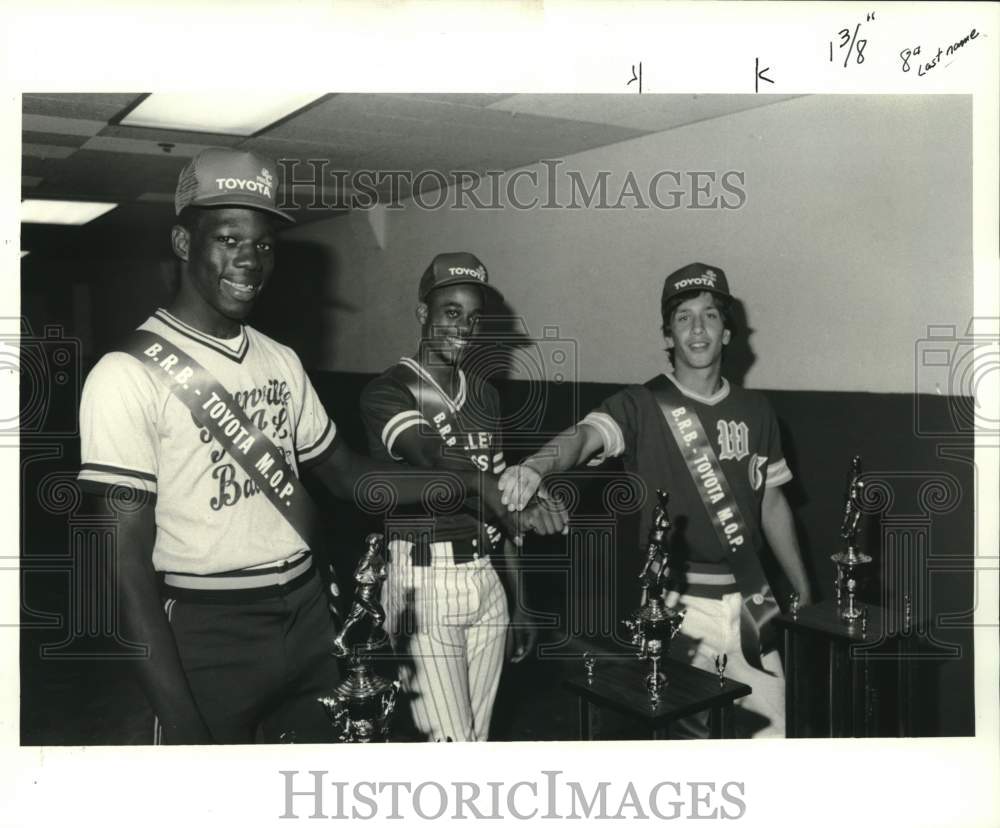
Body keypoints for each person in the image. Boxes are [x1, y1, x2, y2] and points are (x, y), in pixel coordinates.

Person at [77, 149, 535, 745]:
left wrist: (469, 483)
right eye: (228, 238)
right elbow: (123, 571)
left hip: (308, 611)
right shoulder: (125, 374)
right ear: (184, 243)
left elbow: (346, 476)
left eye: (264, 244)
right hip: (209, 622)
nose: (249, 260)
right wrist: (185, 728)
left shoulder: (280, 360)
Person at [498, 262, 811, 738]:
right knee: (690, 741)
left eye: (709, 315)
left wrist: (803, 587)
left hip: (753, 602)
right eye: (683, 318)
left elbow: (772, 503)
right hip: (677, 608)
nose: (698, 328)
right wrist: (536, 465)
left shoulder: (757, 410)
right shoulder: (640, 405)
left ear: (727, 332)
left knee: (774, 736)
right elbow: (584, 438)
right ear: (668, 336)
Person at [359, 252, 566, 742]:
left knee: (476, 741)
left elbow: (500, 508)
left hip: (484, 577)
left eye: (474, 318)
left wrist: (521, 601)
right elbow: (434, 458)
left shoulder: (486, 396)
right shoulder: (390, 391)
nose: (464, 328)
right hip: (422, 581)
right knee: (450, 750)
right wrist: (513, 495)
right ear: (423, 314)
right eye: (451, 312)